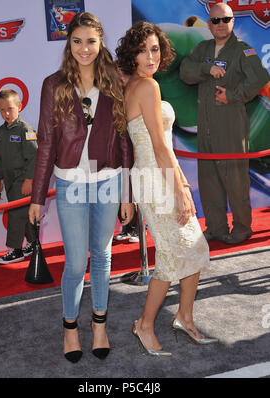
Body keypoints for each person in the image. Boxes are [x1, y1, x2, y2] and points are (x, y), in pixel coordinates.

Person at [29, 12, 134, 363]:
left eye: (91, 41)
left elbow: (123, 138)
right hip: (71, 184)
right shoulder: (53, 84)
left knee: (103, 257)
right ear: (68, 43)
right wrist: (37, 197)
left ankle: (99, 324)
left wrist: (127, 193)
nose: (84, 48)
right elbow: (45, 143)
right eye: (77, 41)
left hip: (107, 181)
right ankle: (70, 328)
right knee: (75, 263)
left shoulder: (113, 82)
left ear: (100, 42)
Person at [116, 21, 218, 356]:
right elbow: (160, 147)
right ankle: (144, 324)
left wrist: (181, 183)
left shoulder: (138, 85)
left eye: (155, 49)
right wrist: (179, 189)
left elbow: (164, 149)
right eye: (143, 50)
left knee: (195, 249)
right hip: (157, 180)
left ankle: (184, 317)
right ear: (132, 53)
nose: (150, 56)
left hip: (158, 175)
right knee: (173, 256)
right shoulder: (146, 87)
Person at [179, 3, 270, 245]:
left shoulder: (242, 51)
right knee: (209, 180)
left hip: (231, 126)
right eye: (215, 20)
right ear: (208, 24)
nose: (220, 24)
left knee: (236, 181)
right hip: (205, 126)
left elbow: (260, 78)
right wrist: (207, 68)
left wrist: (233, 95)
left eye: (225, 19)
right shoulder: (202, 48)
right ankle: (216, 227)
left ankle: (242, 228)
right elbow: (186, 71)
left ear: (232, 22)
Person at [0, 89, 37, 264]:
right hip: (10, 181)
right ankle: (33, 243)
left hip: (23, 180)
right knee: (23, 214)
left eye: (10, 108)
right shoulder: (0, 132)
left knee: (16, 215)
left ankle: (15, 249)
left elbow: (34, 156)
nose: (6, 113)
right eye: (2, 110)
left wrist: (29, 180)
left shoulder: (26, 130)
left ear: (20, 106)